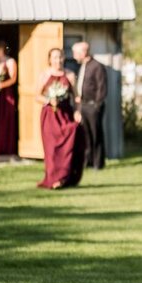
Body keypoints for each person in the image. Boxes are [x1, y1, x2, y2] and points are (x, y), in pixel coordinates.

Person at [36, 48, 84, 189]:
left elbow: (76, 97)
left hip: (65, 115)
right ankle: (52, 178)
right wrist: (49, 100)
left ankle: (63, 178)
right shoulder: (44, 75)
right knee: (51, 149)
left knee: (67, 148)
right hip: (49, 115)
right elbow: (37, 96)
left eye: (60, 57)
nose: (58, 60)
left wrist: (77, 112)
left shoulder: (69, 75)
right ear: (50, 59)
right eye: (55, 57)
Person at [72, 41, 107, 170]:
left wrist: (96, 106)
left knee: (96, 134)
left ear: (84, 52)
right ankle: (89, 161)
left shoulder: (97, 66)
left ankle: (98, 163)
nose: (74, 55)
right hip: (84, 105)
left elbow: (101, 88)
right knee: (86, 135)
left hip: (93, 106)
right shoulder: (83, 66)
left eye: (76, 53)